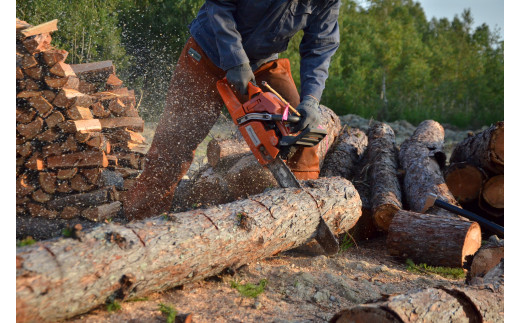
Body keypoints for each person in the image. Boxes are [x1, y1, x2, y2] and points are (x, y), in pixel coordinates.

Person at [122, 0, 341, 219]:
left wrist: (311, 98)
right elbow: (219, 5)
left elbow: (320, 46)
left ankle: (303, 218)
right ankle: (140, 219)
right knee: (176, 139)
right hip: (207, 53)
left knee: (300, 133)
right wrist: (235, 61)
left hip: (261, 62)